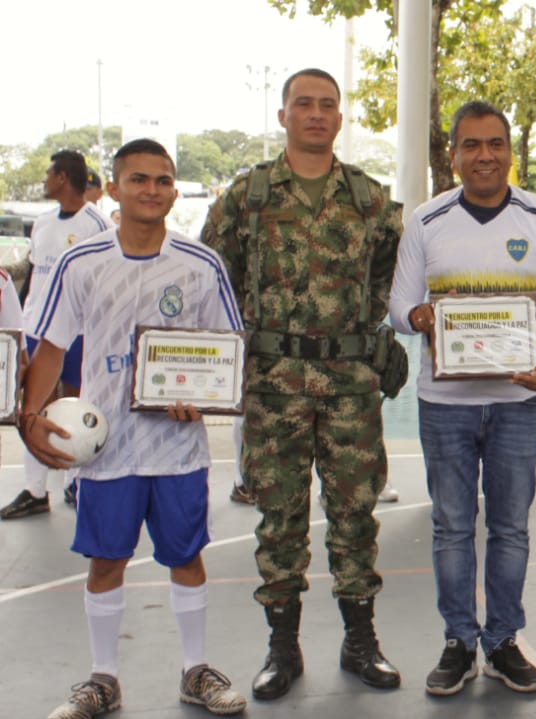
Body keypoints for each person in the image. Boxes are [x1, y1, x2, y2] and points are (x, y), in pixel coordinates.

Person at [19, 138, 246, 718]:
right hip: (106, 447)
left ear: (174, 190)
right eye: (139, 179)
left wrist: (203, 402)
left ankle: (195, 671)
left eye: (163, 180)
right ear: (114, 188)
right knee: (106, 562)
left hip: (177, 450)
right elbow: (49, 348)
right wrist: (29, 420)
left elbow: (227, 357)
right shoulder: (81, 262)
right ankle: (103, 678)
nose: (152, 190)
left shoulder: (201, 264)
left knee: (185, 558)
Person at [201, 67, 402, 700]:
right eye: (303, 104)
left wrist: (370, 338)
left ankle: (359, 641)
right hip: (273, 385)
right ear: (284, 115)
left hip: (348, 385)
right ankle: (282, 649)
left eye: (327, 105)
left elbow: (391, 278)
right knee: (279, 519)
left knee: (354, 516)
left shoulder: (370, 199)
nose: (316, 114)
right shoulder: (248, 197)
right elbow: (215, 275)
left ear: (340, 119)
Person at [388, 101, 536, 696]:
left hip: (518, 403)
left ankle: (501, 640)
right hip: (444, 403)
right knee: (451, 527)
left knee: (510, 528)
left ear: (509, 152)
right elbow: (398, 308)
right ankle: (457, 641)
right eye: (471, 145)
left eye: (495, 144)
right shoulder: (426, 220)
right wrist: (420, 315)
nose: (484, 155)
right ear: (453, 155)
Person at [2, 150, 112, 520]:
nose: (45, 180)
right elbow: (34, 272)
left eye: (49, 173)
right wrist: (18, 320)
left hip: (79, 331)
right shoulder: (43, 222)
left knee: (76, 406)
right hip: (37, 328)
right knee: (32, 408)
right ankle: (35, 490)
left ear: (63, 177)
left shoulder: (95, 224)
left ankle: (75, 482)